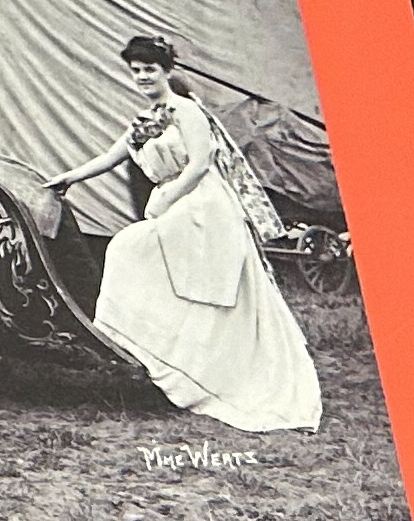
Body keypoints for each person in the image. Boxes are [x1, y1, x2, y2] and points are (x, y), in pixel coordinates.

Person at [45, 34, 321, 433]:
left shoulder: (186, 110)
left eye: (150, 70)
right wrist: (69, 178)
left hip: (203, 205)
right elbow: (110, 156)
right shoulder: (145, 118)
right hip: (176, 205)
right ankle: (170, 358)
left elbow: (199, 163)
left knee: (131, 250)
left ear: (167, 71)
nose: (143, 77)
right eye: (136, 71)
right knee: (152, 269)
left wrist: (166, 199)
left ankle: (207, 371)